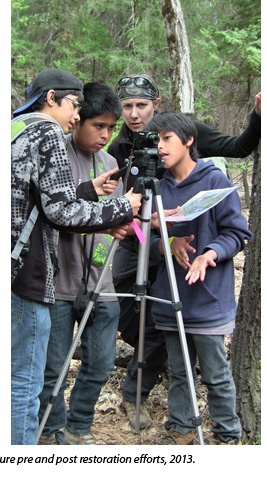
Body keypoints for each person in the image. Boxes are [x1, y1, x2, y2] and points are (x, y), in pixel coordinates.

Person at [107, 75, 261, 430]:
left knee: (194, 352)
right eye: (127, 107)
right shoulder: (120, 146)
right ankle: (156, 398)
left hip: (194, 274)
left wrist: (257, 116)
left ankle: (220, 430)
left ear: (156, 104)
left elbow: (238, 149)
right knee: (141, 322)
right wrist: (160, 242)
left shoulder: (201, 158)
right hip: (144, 247)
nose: (133, 114)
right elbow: (129, 216)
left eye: (140, 106)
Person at [10, 68, 141, 445]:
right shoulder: (47, 132)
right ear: (52, 98)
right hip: (46, 276)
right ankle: (44, 433)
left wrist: (94, 195)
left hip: (93, 279)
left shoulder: (20, 129)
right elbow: (60, 212)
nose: (75, 117)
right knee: (36, 375)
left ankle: (72, 427)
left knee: (84, 364)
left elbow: (42, 202)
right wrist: (121, 208)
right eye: (76, 108)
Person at [146, 112, 252, 444]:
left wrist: (209, 253)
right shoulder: (157, 187)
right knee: (179, 372)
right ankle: (181, 429)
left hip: (208, 299)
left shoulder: (215, 180)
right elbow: (141, 242)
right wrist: (167, 244)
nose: (160, 147)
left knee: (217, 374)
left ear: (189, 140)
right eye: (156, 140)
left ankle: (226, 435)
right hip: (170, 296)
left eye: (166, 138)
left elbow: (236, 232)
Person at [37, 82, 128, 445]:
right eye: (98, 125)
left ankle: (79, 425)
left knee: (102, 361)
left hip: (103, 282)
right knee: (53, 365)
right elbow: (53, 211)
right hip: (59, 280)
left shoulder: (112, 164)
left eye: (111, 127)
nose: (105, 135)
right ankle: (52, 426)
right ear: (77, 120)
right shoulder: (56, 156)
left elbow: (118, 219)